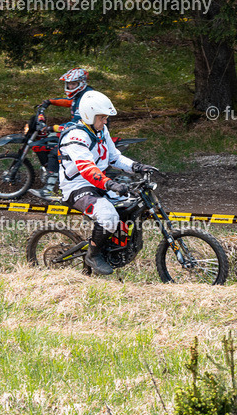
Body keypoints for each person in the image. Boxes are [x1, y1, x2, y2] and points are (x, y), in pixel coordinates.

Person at [58, 90, 158, 275]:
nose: (105, 121)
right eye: (102, 117)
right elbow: (87, 169)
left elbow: (114, 157)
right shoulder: (75, 137)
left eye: (106, 118)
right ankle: (93, 255)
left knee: (131, 204)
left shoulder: (100, 130)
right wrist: (110, 184)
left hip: (97, 183)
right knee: (108, 215)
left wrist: (137, 166)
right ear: (89, 115)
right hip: (77, 187)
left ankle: (112, 246)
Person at [34, 68, 94, 200]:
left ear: (82, 83)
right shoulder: (81, 94)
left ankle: (48, 190)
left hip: (89, 134)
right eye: (68, 84)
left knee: (56, 152)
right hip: (85, 131)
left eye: (73, 84)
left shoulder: (86, 98)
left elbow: (76, 124)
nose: (70, 87)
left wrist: (53, 128)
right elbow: (69, 102)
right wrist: (50, 101)